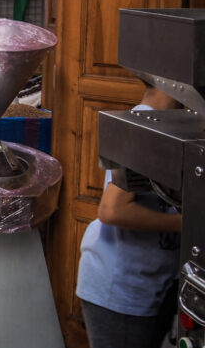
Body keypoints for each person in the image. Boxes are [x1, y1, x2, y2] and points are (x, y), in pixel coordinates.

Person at [77, 86, 182, 348]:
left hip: (152, 284)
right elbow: (113, 210)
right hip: (120, 289)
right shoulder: (145, 125)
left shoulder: (168, 124)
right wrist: (187, 224)